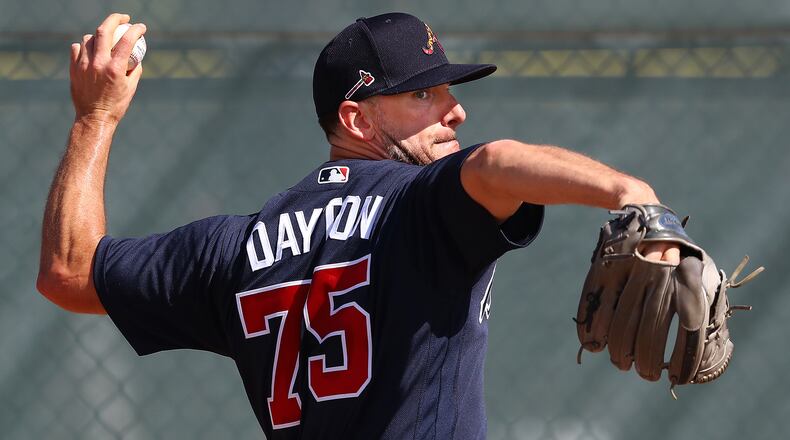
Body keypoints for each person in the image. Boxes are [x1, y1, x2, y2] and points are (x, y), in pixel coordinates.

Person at [38, 12, 679, 439]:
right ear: (356, 119)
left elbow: (69, 273)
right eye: (423, 95)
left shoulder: (231, 250)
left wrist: (94, 118)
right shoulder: (419, 206)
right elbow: (493, 164)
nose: (455, 111)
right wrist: (633, 194)